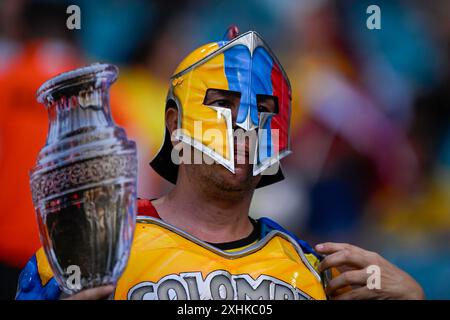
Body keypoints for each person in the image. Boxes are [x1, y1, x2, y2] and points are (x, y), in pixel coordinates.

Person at [15, 27, 424, 300]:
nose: (244, 125)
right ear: (174, 124)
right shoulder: (90, 251)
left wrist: (412, 298)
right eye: (221, 105)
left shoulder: (313, 272)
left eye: (264, 108)